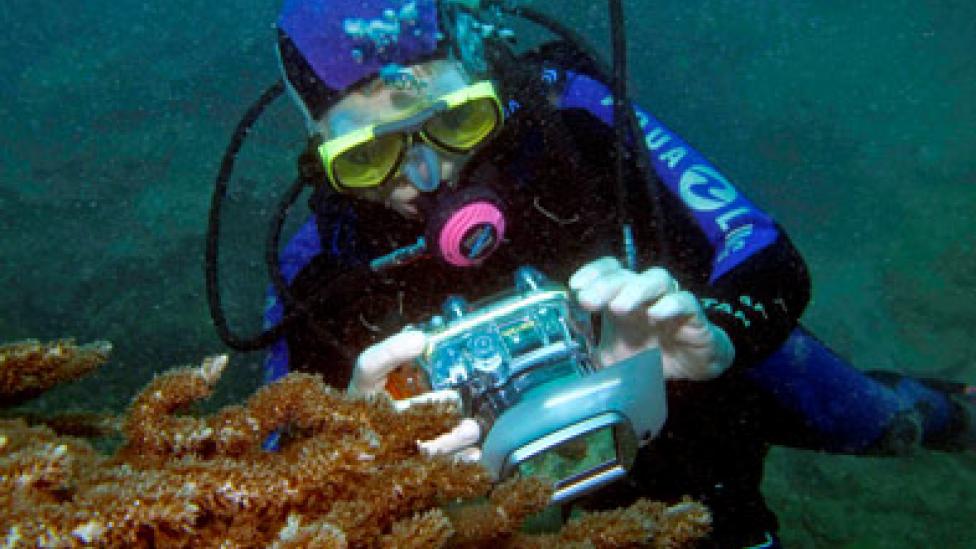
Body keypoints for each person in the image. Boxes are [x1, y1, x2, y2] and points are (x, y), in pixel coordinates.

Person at [228, 1, 975, 546]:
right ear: (316, 149)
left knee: (885, 424)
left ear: (481, 69)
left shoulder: (572, 117)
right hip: (504, 500)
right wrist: (358, 458)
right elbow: (275, 482)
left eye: (455, 121)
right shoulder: (316, 266)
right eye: (365, 157)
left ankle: (954, 411)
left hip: (702, 397)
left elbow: (764, 254)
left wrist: (714, 333)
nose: (424, 176)